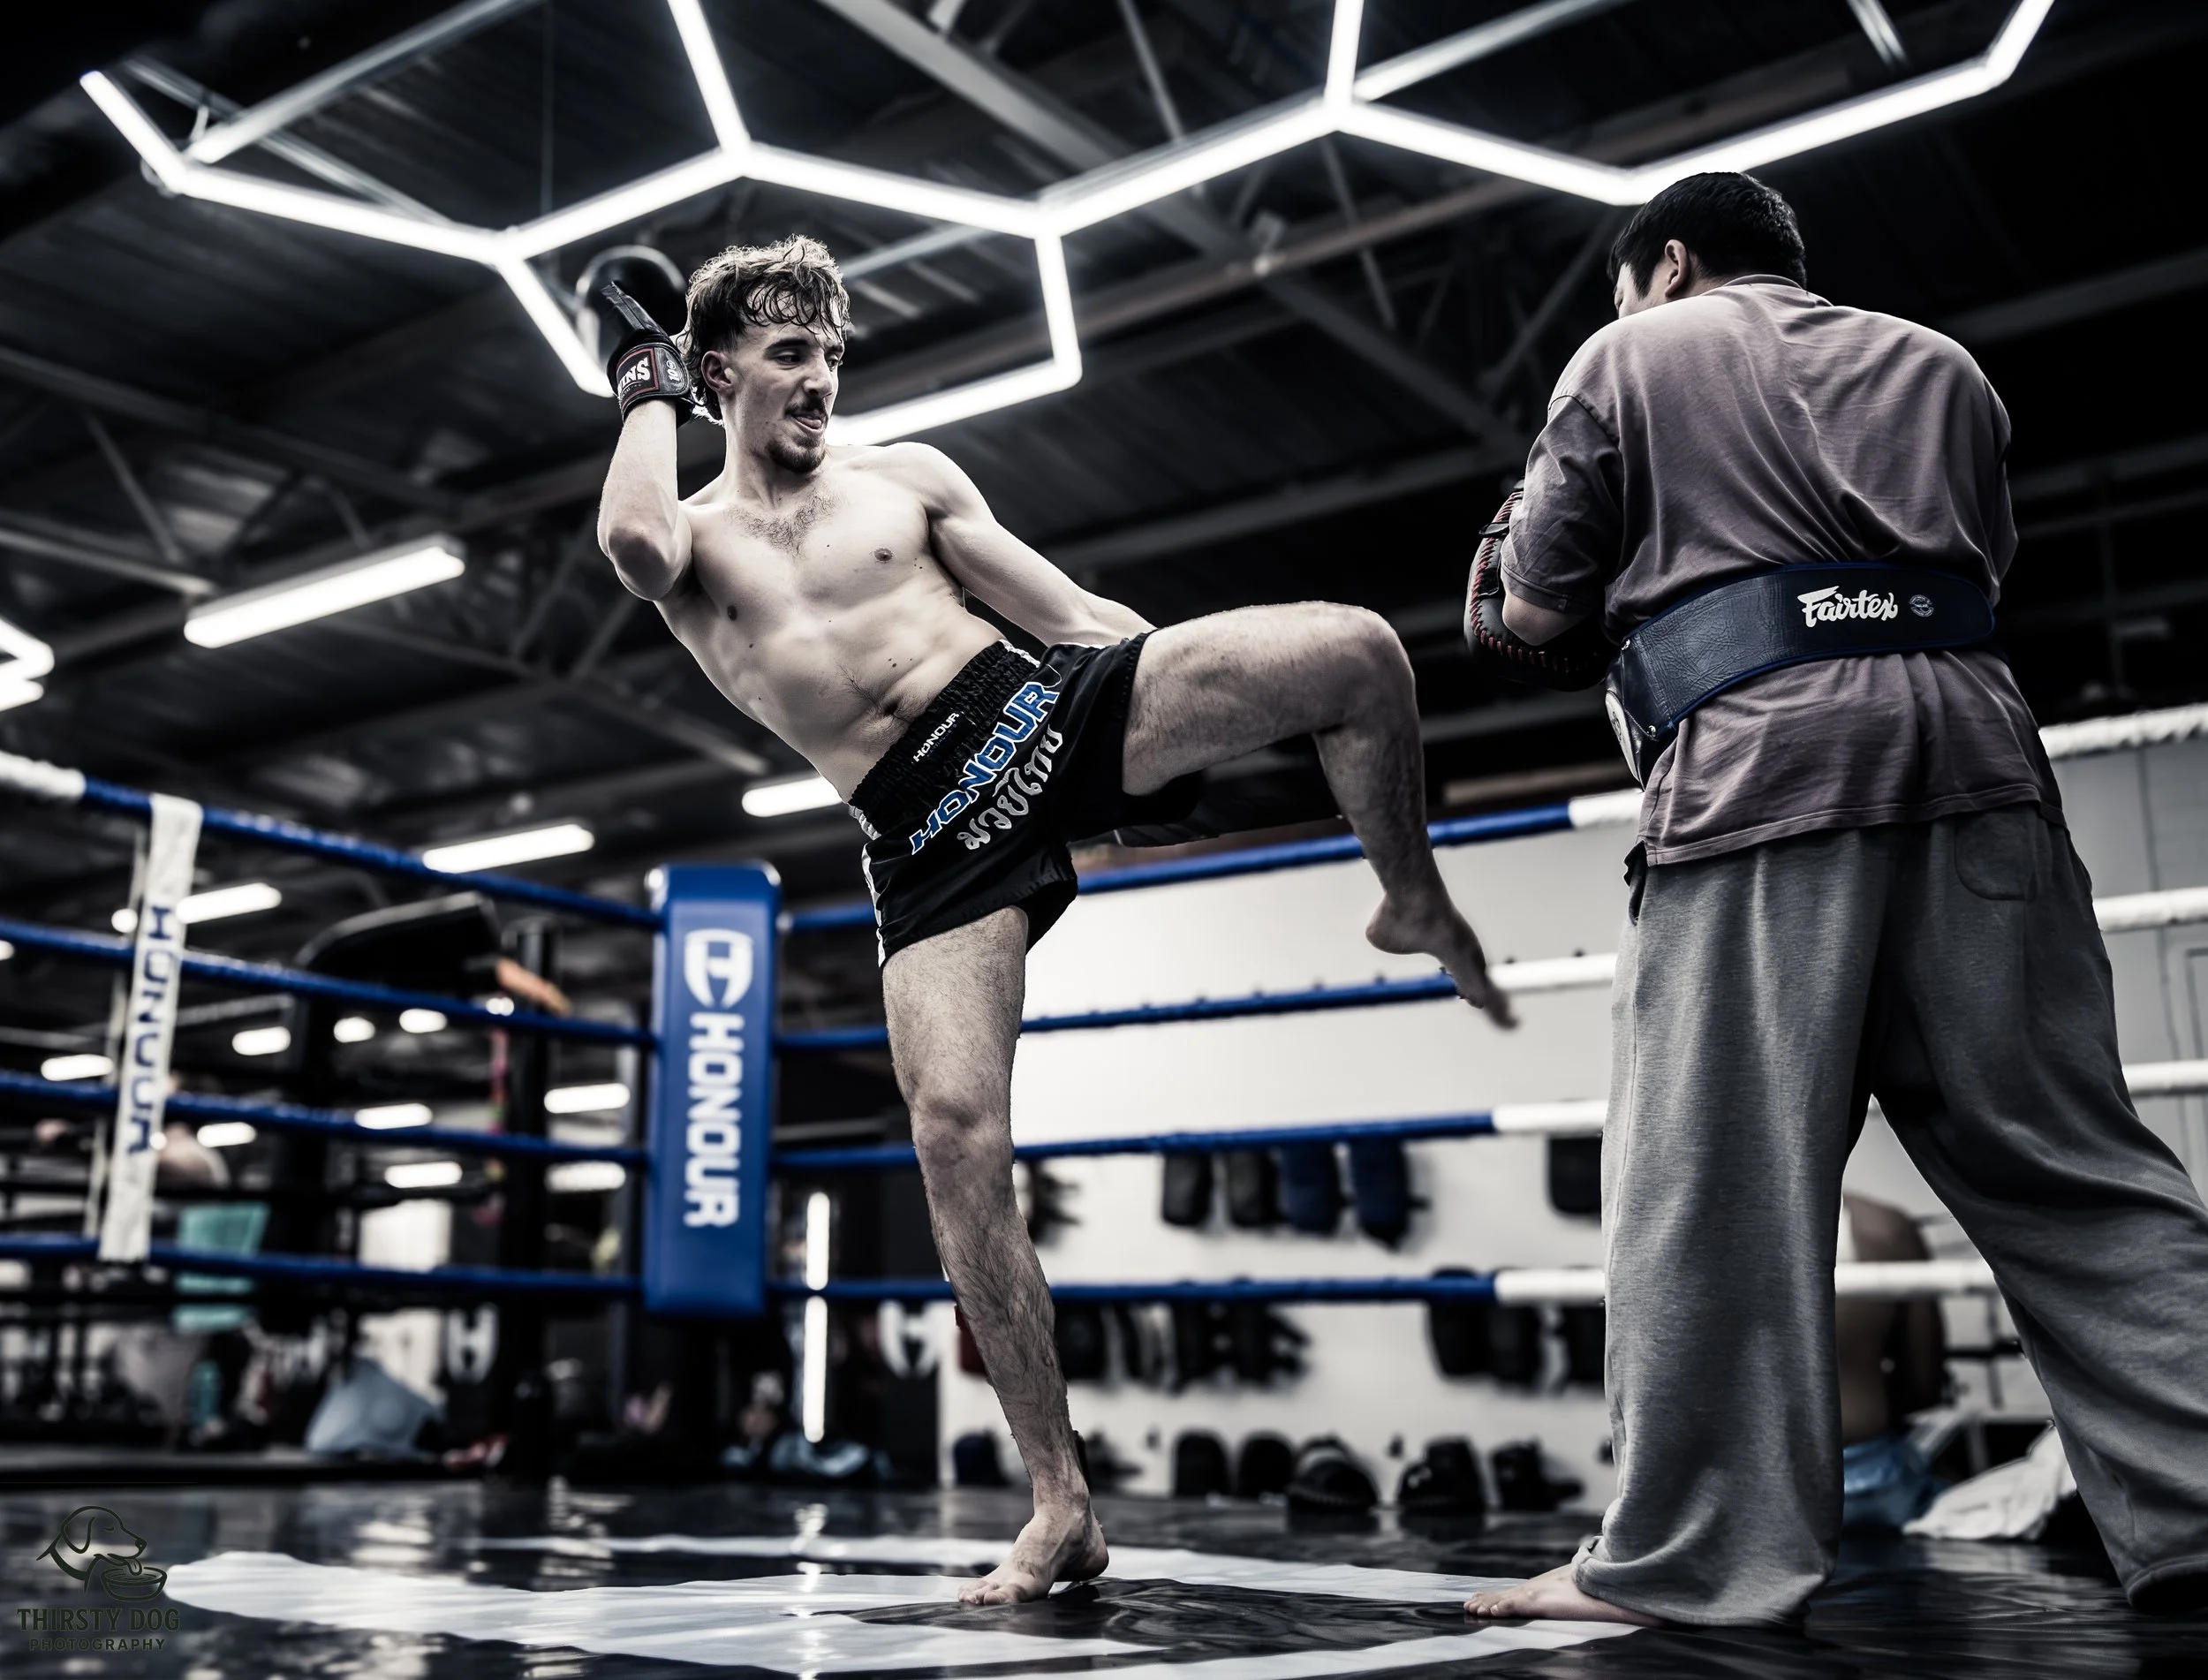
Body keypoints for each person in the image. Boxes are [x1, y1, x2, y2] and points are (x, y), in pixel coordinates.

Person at [595, 236, 1515, 1604]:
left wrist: (1168, 722)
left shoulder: (909, 478)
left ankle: (1412, 892)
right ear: (715, 370)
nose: (821, 379)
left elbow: (1075, 614)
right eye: (792, 353)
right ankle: (1061, 1502)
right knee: (953, 1130)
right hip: (923, 833)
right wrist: (637, 378)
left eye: (834, 353)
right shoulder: (696, 545)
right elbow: (630, 534)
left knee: (1354, 649)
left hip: (1035, 716)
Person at [1463, 172, 2208, 1627]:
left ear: (1662, 265)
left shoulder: (1631, 351)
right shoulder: (1947, 369)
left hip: (1760, 773)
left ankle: (1687, 1563)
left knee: (1711, 1187)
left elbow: (1532, 615)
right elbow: (1964, 569)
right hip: (1986, 767)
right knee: (2077, 1167)